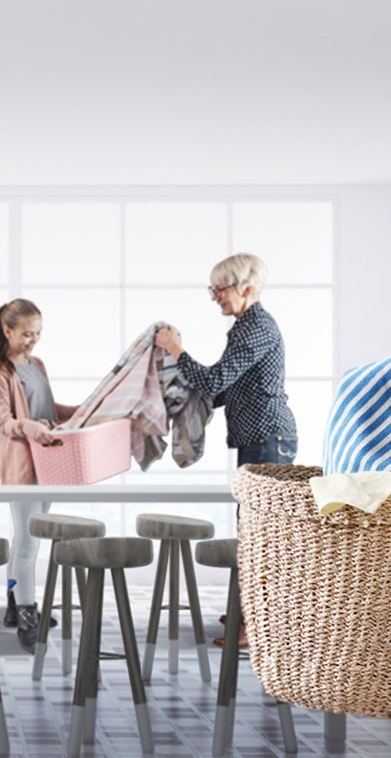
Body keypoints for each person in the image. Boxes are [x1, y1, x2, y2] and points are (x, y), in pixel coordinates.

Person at [155, 252, 298, 647]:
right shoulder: (246, 328)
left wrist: (175, 350)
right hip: (259, 438)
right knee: (252, 530)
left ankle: (252, 626)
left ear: (247, 288)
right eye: (212, 288)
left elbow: (215, 378)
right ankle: (249, 613)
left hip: (267, 439)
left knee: (257, 535)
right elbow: (223, 389)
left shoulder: (255, 328)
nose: (215, 296)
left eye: (221, 288)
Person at [0, 298, 77, 654]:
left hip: (48, 464)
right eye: (26, 333)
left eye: (38, 333)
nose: (33, 340)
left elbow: (49, 410)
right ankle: (26, 614)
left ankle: (12, 604)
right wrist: (31, 428)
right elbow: (4, 422)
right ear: (7, 331)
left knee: (23, 537)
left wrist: (83, 410)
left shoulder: (37, 364)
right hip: (22, 466)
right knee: (28, 542)